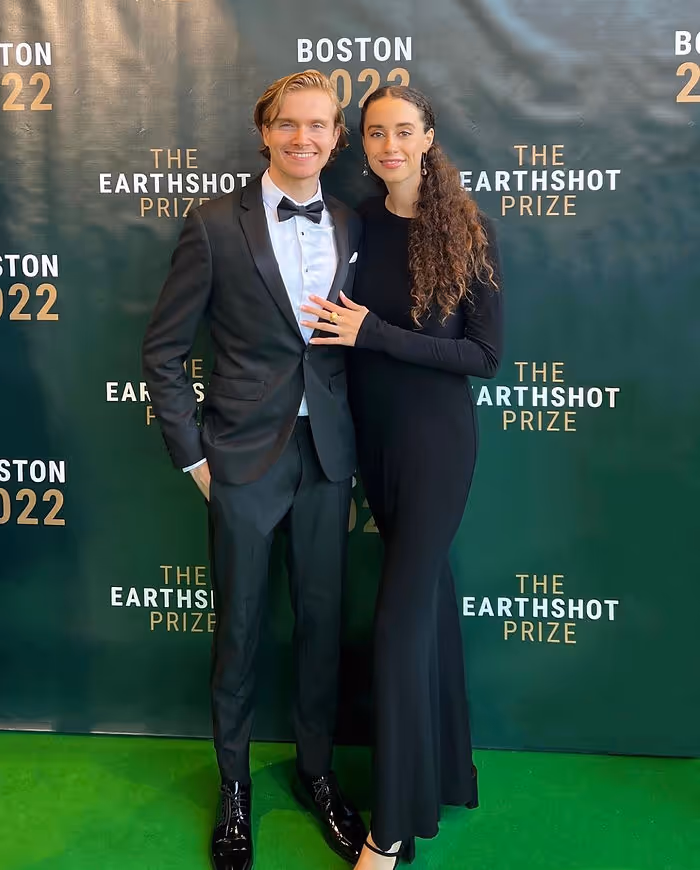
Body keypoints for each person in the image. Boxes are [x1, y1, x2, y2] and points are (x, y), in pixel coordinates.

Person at [142, 70, 367, 870]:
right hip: (240, 460)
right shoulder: (211, 225)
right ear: (264, 131)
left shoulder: (349, 219)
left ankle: (316, 773)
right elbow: (164, 353)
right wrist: (196, 458)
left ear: (338, 138)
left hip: (327, 459)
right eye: (288, 124)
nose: (304, 138)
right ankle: (233, 789)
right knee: (237, 632)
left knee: (320, 631)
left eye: (320, 125)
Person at [300, 85, 503, 868]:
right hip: (373, 442)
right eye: (376, 133)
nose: (389, 146)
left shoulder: (467, 231)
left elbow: (483, 358)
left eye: (403, 132)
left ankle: (391, 830)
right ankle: (448, 772)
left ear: (428, 138)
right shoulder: (356, 227)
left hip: (435, 445)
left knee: (399, 620)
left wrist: (374, 333)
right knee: (430, 605)